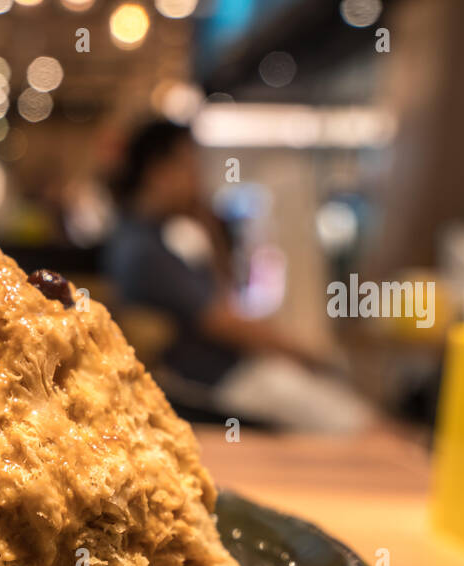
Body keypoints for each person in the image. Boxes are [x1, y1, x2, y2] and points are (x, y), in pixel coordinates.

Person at [103, 120, 373, 432]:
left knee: (339, 405)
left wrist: (208, 226)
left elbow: (224, 296)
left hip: (230, 375)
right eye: (190, 166)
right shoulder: (142, 249)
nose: (198, 180)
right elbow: (226, 322)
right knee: (360, 426)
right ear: (159, 171)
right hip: (213, 385)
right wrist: (307, 355)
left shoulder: (152, 238)